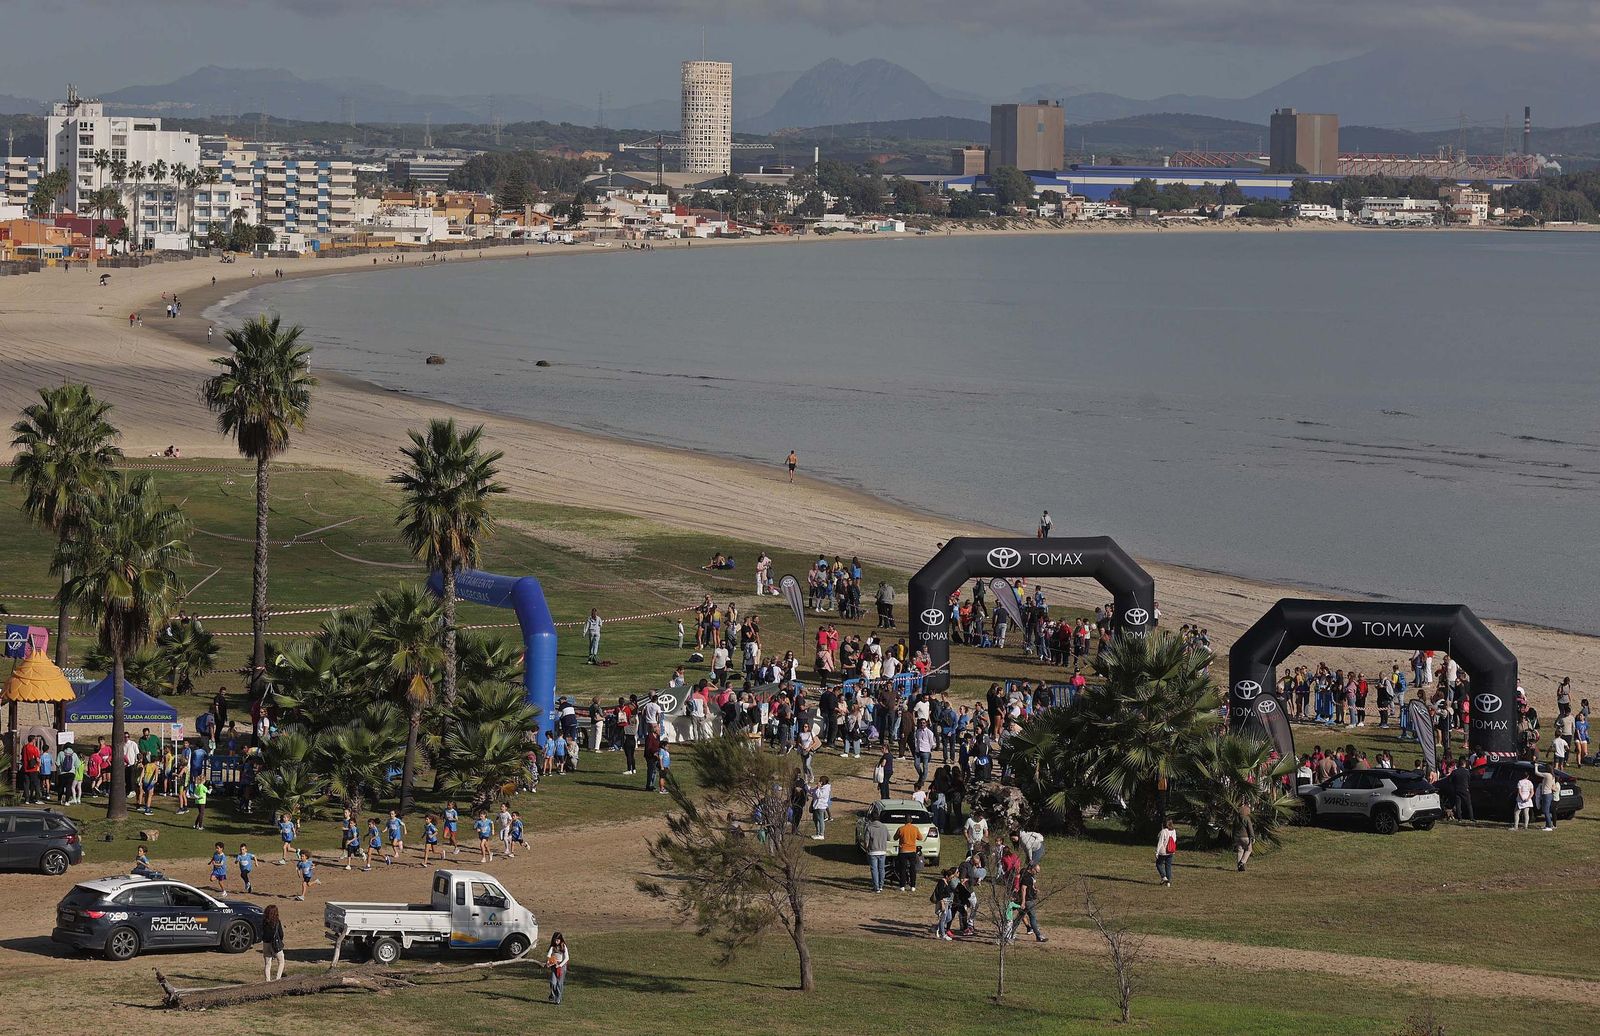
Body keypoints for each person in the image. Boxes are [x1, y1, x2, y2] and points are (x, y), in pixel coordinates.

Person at [1012, 862, 1047, 942]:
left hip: (1025, 899)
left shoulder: (1025, 873)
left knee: (1020, 916)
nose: (1037, 873)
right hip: (1028, 900)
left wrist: (1034, 889)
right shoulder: (1027, 877)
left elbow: (1026, 885)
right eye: (1036, 871)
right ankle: (1038, 936)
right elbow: (1023, 889)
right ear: (1032, 869)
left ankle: (1010, 932)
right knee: (1032, 917)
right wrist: (1023, 902)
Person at [864, 811, 890, 892]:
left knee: (874, 869)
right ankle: (881, 885)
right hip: (882, 851)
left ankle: (876, 887)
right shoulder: (884, 827)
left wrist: (866, 848)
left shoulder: (869, 827)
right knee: (881, 869)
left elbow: (866, 841)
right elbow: (889, 838)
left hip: (873, 851)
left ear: (871, 818)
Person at [895, 816, 922, 892]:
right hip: (912, 851)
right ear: (911, 820)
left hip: (903, 851)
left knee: (902, 869)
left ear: (904, 821)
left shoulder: (901, 828)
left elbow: (895, 837)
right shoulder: (915, 828)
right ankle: (913, 886)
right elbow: (920, 838)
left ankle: (902, 886)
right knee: (912, 868)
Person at [261, 904, 286, 981]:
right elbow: (281, 934)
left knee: (267, 964)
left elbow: (261, 932)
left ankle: (267, 981)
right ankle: (277, 979)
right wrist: (280, 940)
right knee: (281, 961)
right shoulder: (277, 922)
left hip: (265, 943)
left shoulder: (264, 921)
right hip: (275, 943)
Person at [545, 932, 570, 1005]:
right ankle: (553, 994)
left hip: (561, 967)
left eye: (558, 940)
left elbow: (567, 958)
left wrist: (560, 965)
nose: (556, 942)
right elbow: (549, 955)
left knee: (559, 984)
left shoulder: (563, 946)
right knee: (553, 982)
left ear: (561, 940)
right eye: (555, 940)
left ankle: (558, 999)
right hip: (554, 966)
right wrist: (548, 962)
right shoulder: (552, 947)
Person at [1155, 818, 1177, 886]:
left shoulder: (1163, 831)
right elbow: (1174, 840)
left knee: (1158, 864)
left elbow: (1160, 842)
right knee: (1168, 866)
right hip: (1171, 851)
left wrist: (1157, 852)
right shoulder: (1174, 831)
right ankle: (1169, 882)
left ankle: (1164, 877)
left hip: (1163, 852)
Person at [1234, 804, 1254, 872]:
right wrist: (1252, 837)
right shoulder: (1246, 818)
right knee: (1249, 850)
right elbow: (1250, 828)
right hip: (1245, 837)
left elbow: (1234, 828)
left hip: (1237, 837)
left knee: (1240, 851)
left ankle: (1239, 867)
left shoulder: (1236, 818)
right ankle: (1242, 862)